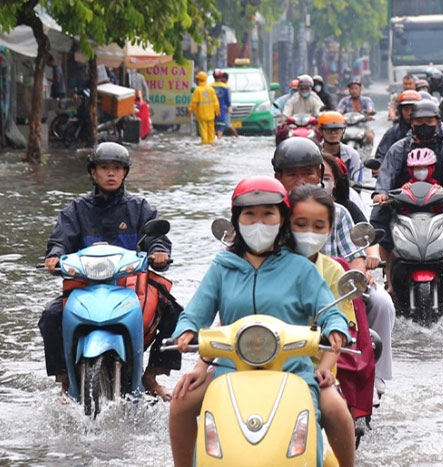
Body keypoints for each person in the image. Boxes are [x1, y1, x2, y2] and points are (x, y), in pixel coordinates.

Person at [168, 176, 350, 467]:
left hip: (293, 368)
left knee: (336, 410)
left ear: (282, 219)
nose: (258, 222)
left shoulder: (300, 268)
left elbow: (329, 311)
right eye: (249, 214)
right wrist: (186, 331)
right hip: (229, 366)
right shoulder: (222, 267)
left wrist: (336, 328)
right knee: (180, 402)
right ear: (236, 219)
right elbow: (196, 312)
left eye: (268, 213)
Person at [39, 143, 178, 399]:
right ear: (93, 172)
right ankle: (65, 378)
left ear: (125, 172)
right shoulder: (76, 210)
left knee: (175, 313)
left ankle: (152, 374)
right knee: (50, 316)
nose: (111, 174)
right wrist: (55, 256)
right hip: (84, 286)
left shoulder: (139, 208)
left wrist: (159, 252)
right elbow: (60, 240)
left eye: (117, 168)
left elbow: (156, 239)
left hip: (131, 286)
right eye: (104, 168)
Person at [273, 138, 396, 397]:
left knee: (382, 303)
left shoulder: (338, 212)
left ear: (319, 173)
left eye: (307, 172)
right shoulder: (272, 213)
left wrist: (355, 278)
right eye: (292, 174)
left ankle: (374, 379)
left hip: (336, 290)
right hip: (280, 295)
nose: (301, 180)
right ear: (278, 177)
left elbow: (355, 255)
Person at [289, 184, 358, 467]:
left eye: (318, 226)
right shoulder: (265, 264)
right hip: (256, 362)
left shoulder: (332, 272)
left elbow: (338, 330)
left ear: (330, 229)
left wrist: (325, 369)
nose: (308, 232)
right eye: (300, 224)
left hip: (313, 368)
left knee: (335, 410)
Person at [370, 100, 443, 287]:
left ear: (438, 123)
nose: (425, 126)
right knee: (382, 226)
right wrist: (381, 193)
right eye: (420, 121)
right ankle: (390, 279)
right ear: (412, 123)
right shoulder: (399, 148)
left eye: (429, 122)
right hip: (401, 205)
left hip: (439, 205)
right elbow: (386, 173)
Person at [374, 90, 421, 163]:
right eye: (406, 109)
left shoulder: (431, 129)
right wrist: (378, 165)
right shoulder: (393, 132)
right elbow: (382, 154)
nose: (409, 113)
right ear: (400, 111)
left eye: (412, 109)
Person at [318, 111, 363, 182]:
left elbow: (357, 182)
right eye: (329, 130)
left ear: (343, 131)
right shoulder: (314, 153)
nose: (333, 133)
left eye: (337, 130)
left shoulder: (352, 155)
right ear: (321, 131)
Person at [337, 78, 375, 147]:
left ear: (360, 89)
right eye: (351, 89)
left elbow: (370, 109)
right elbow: (339, 112)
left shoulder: (366, 100)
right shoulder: (344, 101)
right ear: (349, 90)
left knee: (370, 136)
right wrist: (338, 116)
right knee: (336, 136)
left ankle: (367, 154)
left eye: (356, 88)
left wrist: (369, 113)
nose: (354, 91)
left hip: (363, 126)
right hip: (346, 126)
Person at [188, 71, 220, 144]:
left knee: (204, 131)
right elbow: (216, 102)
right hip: (211, 115)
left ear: (198, 80)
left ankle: (205, 145)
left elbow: (194, 103)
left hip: (202, 115)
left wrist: (190, 111)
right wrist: (217, 111)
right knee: (211, 132)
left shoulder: (197, 90)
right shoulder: (211, 89)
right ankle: (212, 144)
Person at [211, 69, 231, 140]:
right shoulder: (225, 87)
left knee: (212, 125)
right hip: (222, 108)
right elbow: (227, 99)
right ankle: (219, 140)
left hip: (211, 108)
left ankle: (212, 139)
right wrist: (229, 106)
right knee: (221, 125)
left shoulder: (209, 86)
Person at [221, 72, 239, 137]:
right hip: (225, 108)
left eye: (222, 78)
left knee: (228, 124)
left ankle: (237, 136)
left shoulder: (226, 87)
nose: (220, 79)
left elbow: (228, 99)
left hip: (227, 108)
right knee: (222, 124)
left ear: (225, 79)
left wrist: (228, 107)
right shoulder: (224, 87)